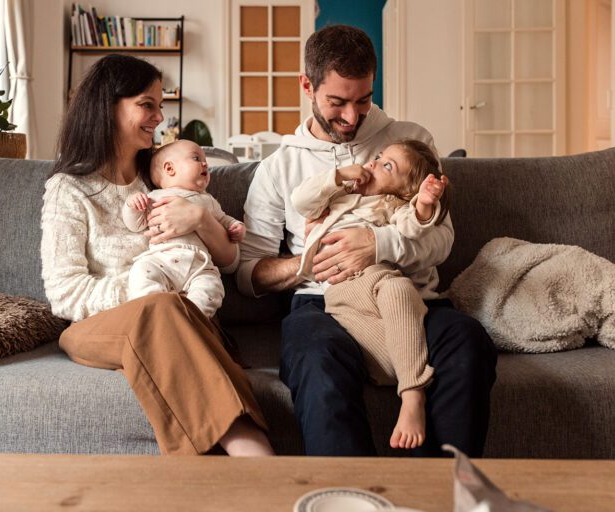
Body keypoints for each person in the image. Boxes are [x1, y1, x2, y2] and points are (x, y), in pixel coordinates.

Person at [238, 25, 497, 457]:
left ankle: (439, 494)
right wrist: (306, 263)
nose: (352, 118)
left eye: (363, 100)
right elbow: (248, 275)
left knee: (468, 343)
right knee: (316, 363)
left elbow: (441, 240)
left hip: (412, 297)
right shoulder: (279, 167)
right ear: (307, 85)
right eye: (337, 102)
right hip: (322, 303)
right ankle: (352, 500)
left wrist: (376, 245)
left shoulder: (409, 143)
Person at [41, 54, 274, 456]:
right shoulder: (70, 189)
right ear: (107, 106)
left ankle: (205, 475)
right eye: (146, 105)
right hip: (99, 327)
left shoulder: (167, 181)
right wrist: (151, 296)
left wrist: (200, 218)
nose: (159, 118)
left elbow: (229, 263)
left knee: (166, 313)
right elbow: (64, 293)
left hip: (177, 319)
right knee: (161, 309)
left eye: (160, 106)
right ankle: (255, 456)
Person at [292, 139, 449, 450]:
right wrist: (336, 176)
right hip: (338, 289)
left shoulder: (392, 206)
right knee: (396, 309)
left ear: (403, 191)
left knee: (398, 293)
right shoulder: (340, 196)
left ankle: (407, 388)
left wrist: (423, 204)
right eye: (379, 157)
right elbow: (302, 200)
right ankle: (409, 383)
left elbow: (413, 228)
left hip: (375, 281)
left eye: (388, 166)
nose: (374, 163)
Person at [123, 140, 245, 318]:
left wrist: (236, 227)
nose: (205, 164)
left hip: (199, 264)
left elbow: (225, 220)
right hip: (161, 260)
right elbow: (136, 224)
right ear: (170, 169)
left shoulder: (208, 201)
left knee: (212, 287)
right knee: (141, 273)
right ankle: (157, 312)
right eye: (196, 158)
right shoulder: (154, 197)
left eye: (205, 161)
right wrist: (132, 205)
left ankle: (192, 318)